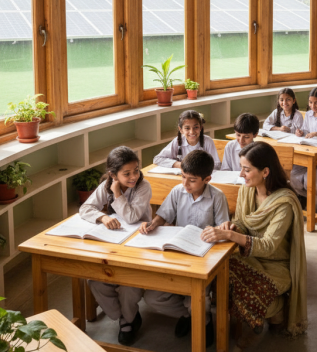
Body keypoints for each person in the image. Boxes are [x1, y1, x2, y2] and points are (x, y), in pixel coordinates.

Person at [200, 141, 307, 348]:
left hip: (277, 265)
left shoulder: (284, 202)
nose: (241, 174)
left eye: (247, 169)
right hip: (249, 256)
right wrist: (232, 226)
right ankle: (255, 318)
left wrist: (230, 236)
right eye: (242, 168)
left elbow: (268, 245)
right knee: (219, 273)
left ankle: (275, 310)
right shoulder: (247, 190)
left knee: (248, 288)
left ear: (265, 171)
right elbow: (241, 223)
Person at [139, 150, 229, 347]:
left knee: (196, 299)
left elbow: (222, 229)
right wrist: (153, 224)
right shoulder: (177, 191)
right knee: (153, 298)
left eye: (192, 180)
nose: (185, 184)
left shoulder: (217, 197)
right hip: (178, 252)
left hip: (203, 256)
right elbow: (163, 215)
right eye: (183, 177)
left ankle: (204, 320)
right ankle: (190, 316)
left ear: (207, 179)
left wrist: (216, 232)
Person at [81, 147, 152, 346]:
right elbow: (85, 208)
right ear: (113, 174)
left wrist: (116, 192)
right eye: (126, 173)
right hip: (114, 244)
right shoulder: (106, 184)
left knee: (128, 286)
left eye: (136, 170)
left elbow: (131, 218)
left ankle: (127, 321)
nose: (133, 176)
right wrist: (102, 216)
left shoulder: (143, 186)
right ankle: (126, 317)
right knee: (95, 282)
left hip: (139, 245)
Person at [154, 110, 220, 170]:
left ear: (201, 128)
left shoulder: (207, 141)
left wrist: (199, 167)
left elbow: (216, 165)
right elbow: (158, 159)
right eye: (187, 128)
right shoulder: (177, 141)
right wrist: (181, 165)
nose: (192, 132)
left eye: (196, 127)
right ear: (181, 130)